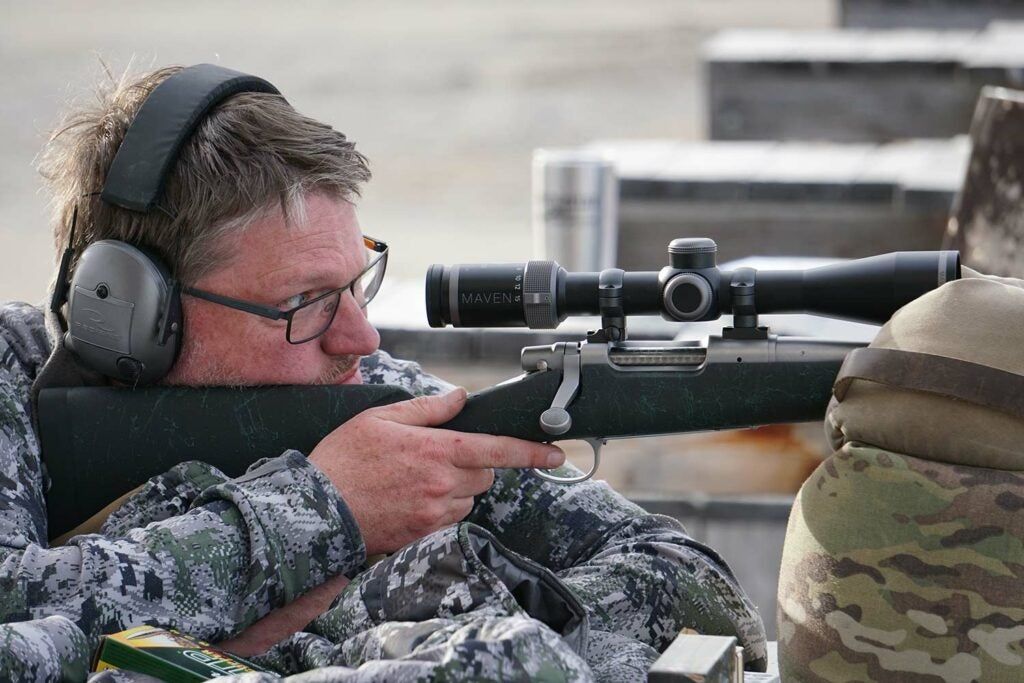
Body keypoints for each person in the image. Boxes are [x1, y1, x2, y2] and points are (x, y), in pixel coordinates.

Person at [0, 65, 766, 681]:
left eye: (356, 283)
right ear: (133, 314)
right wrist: (324, 511)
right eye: (303, 303)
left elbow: (693, 584)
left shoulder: (364, 391)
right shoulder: (12, 375)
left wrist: (396, 616)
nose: (360, 335)